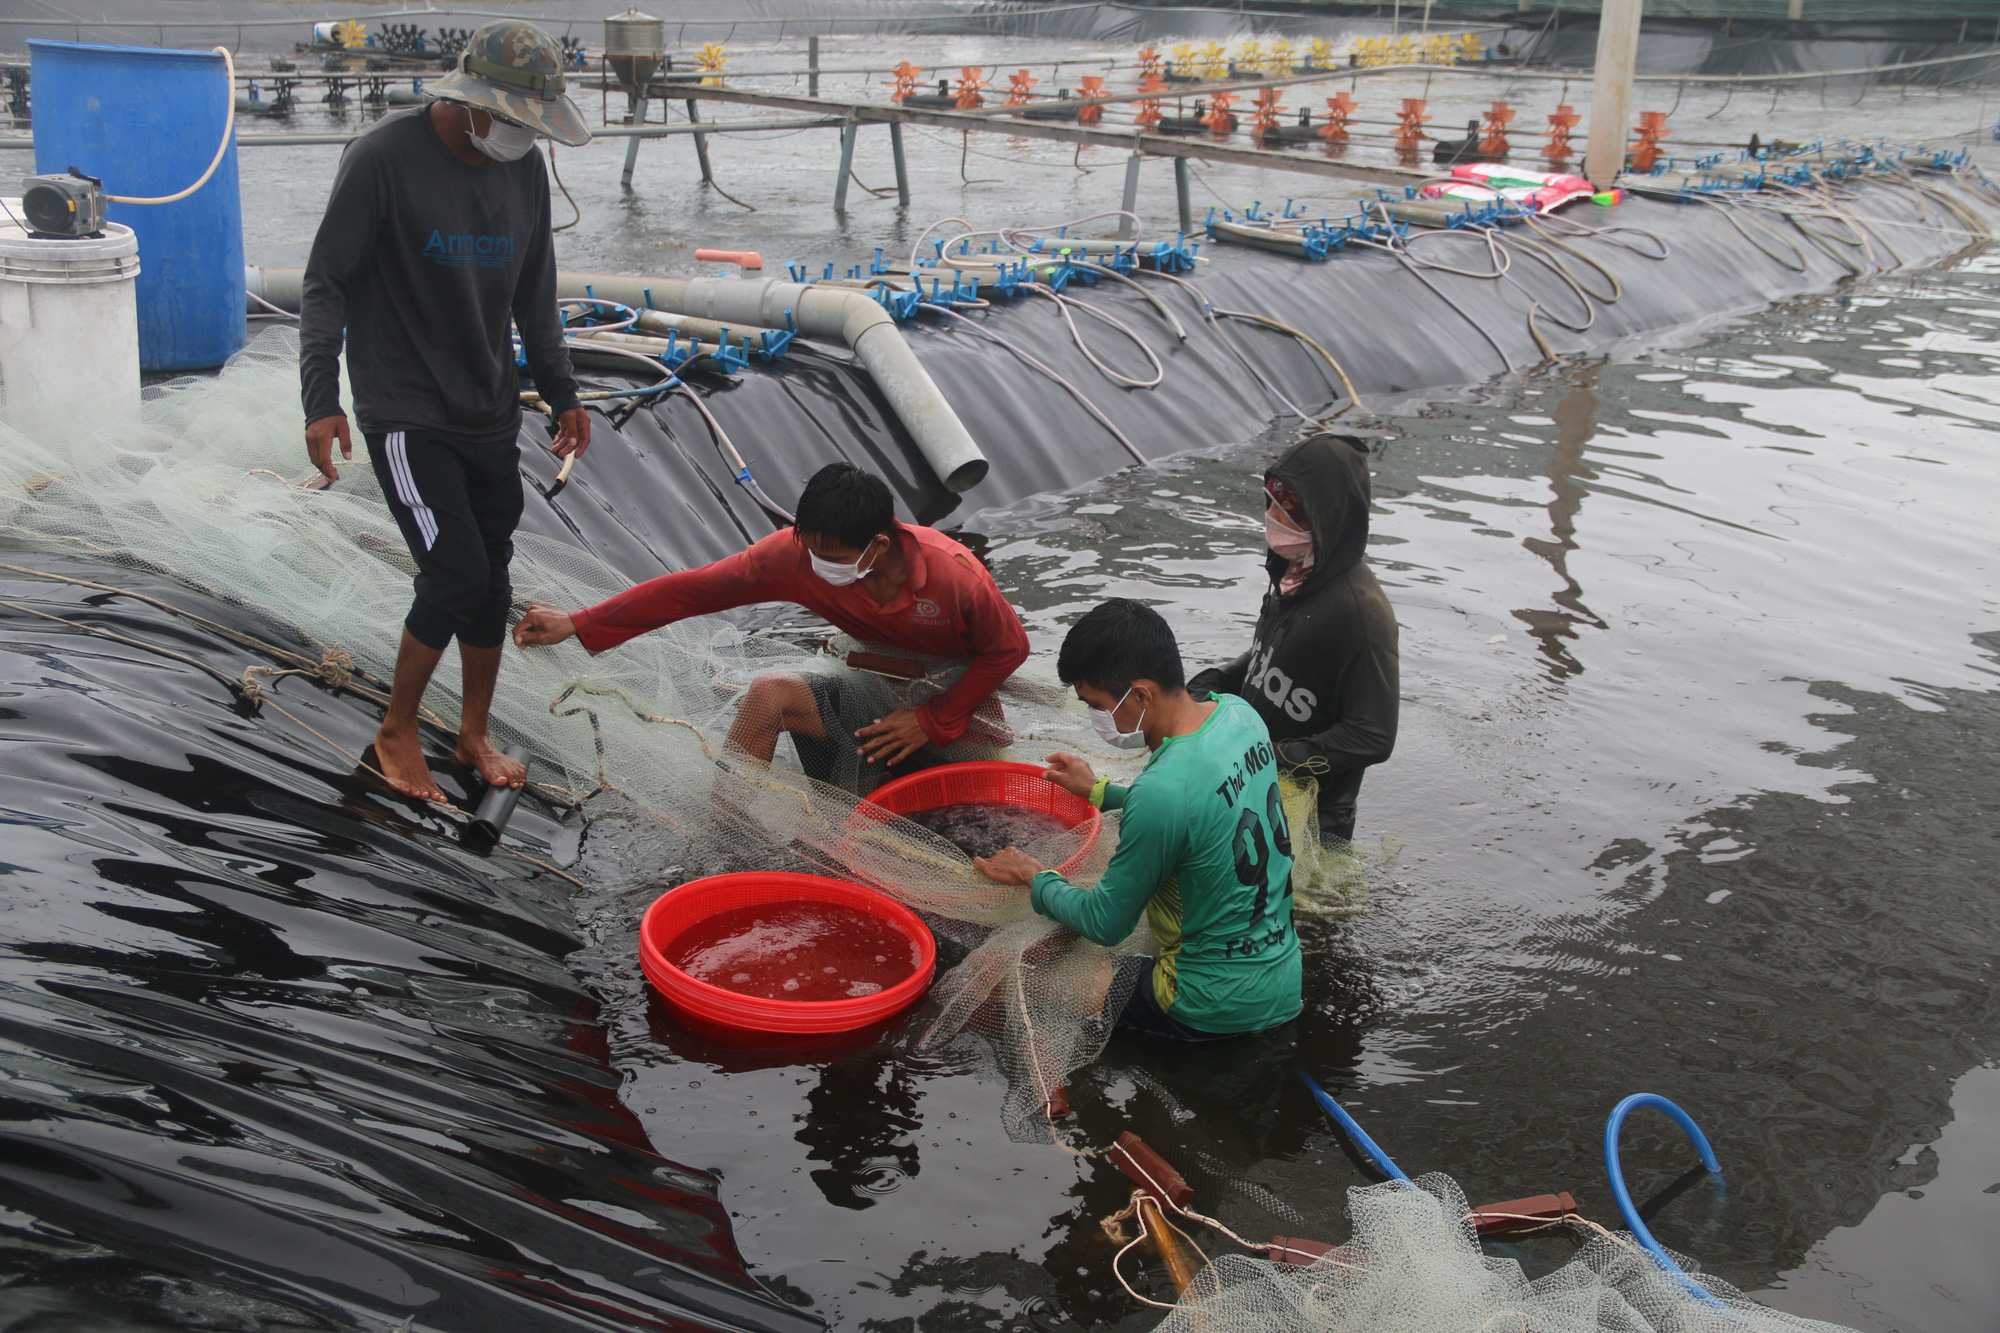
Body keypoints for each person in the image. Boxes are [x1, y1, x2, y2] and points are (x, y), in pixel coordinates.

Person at [298, 20, 592, 803]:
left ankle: (472, 731)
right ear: (472, 104)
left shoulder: (522, 169)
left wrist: (564, 391)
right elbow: (325, 283)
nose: (523, 138)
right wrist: (320, 400)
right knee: (454, 570)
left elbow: (536, 296)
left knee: (490, 577)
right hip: (407, 409)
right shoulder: (382, 161)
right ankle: (395, 733)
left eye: (536, 127)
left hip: (488, 405)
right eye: (515, 122)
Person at [513, 463, 1030, 790]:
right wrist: (581, 623)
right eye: (810, 546)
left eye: (834, 556)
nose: (818, 563)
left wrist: (933, 720)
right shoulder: (791, 556)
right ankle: (728, 840)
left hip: (956, 699)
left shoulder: (955, 576)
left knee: (980, 818)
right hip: (871, 681)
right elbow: (688, 591)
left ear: (880, 544)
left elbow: (1007, 651)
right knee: (766, 695)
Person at [974, 599, 1301, 1042]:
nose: (1096, 719)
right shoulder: (1240, 715)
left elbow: (1105, 923)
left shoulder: (1163, 790)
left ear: (1142, 694)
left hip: (1205, 1003)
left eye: (1097, 705)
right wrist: (1100, 793)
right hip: (1283, 975)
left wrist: (1035, 877)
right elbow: (1206, 807)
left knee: (993, 985)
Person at [1187, 433, 1398, 843]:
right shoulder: (1291, 573)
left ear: (1325, 514)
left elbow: (1372, 735)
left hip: (1312, 821)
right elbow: (1272, 657)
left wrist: (1272, 757)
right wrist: (1210, 687)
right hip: (1253, 791)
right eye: (1271, 500)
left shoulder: (1361, 614)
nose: (1273, 515)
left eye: (1289, 508)